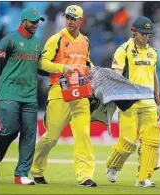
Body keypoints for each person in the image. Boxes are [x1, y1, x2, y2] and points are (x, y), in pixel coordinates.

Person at [30, 5, 97, 187]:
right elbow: (42, 62)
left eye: (73, 18)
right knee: (51, 137)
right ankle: (36, 170)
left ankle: (84, 176)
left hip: (81, 94)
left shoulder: (85, 41)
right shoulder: (56, 39)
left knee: (83, 134)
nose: (69, 21)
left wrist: (91, 71)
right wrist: (62, 68)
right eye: (67, 17)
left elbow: (87, 62)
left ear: (80, 21)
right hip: (59, 92)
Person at [105, 16, 160, 187]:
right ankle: (113, 166)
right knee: (128, 142)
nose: (146, 37)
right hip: (129, 102)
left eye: (148, 34)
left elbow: (154, 76)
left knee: (150, 143)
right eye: (143, 33)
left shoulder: (152, 52)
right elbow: (116, 74)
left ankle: (144, 178)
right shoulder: (123, 50)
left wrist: (158, 98)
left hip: (149, 103)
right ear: (134, 31)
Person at [0, 8, 45, 185]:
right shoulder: (9, 40)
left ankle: (21, 175)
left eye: (37, 21)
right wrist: (1, 87)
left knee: (29, 134)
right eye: (32, 21)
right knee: (10, 130)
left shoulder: (38, 42)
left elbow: (39, 68)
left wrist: (63, 70)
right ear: (23, 21)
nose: (35, 24)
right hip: (9, 92)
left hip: (30, 95)